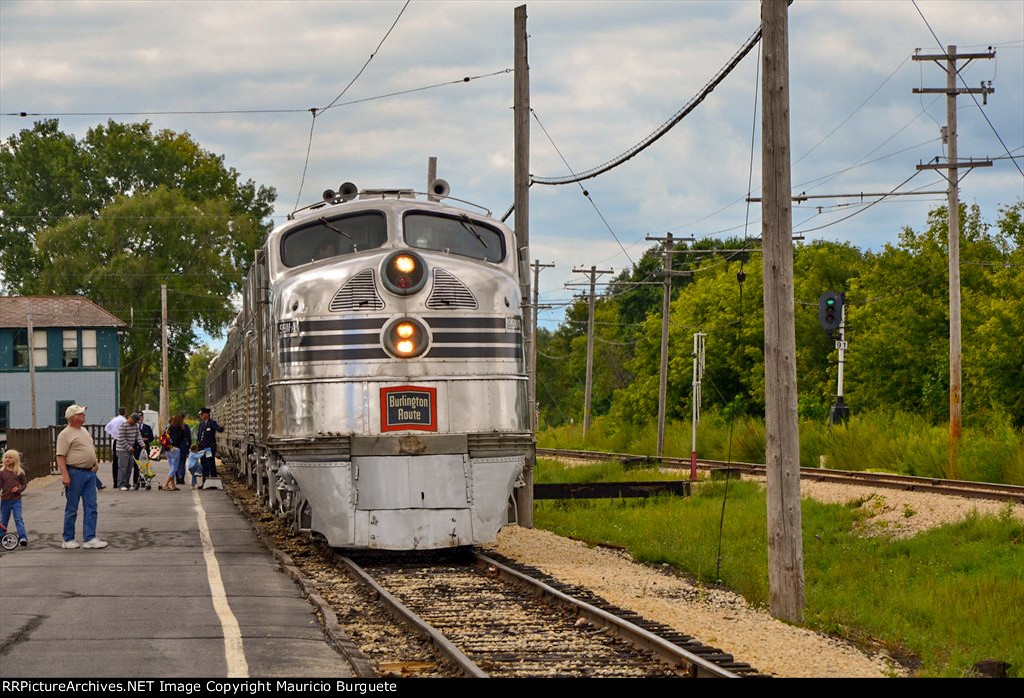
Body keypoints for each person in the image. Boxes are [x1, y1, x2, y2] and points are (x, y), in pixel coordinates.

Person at [56, 405, 107, 549]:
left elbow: (89, 448)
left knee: (91, 506)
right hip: (74, 473)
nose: (84, 415)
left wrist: (95, 463)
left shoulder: (83, 430)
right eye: (80, 413)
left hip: (89, 473)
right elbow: (60, 456)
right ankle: (68, 539)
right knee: (72, 507)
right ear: (72, 417)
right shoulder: (65, 434)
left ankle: (90, 538)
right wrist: (65, 475)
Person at [1, 449, 29, 546]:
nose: (7, 459)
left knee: (18, 519)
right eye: (6, 457)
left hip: (16, 500)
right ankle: (1, 537)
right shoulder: (1, 472)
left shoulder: (19, 472)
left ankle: (23, 537)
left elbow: (24, 485)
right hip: (5, 500)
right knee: (3, 520)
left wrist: (18, 489)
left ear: (15, 460)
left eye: (10, 457)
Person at [115, 412, 146, 491]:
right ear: (131, 418)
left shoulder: (135, 426)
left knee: (129, 467)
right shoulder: (123, 426)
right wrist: (128, 447)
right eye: (134, 421)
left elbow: (138, 436)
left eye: (136, 422)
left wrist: (142, 444)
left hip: (130, 450)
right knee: (123, 467)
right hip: (122, 450)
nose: (134, 423)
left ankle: (126, 483)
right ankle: (121, 484)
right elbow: (121, 439)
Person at [196, 407, 223, 486]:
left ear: (207, 414)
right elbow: (199, 435)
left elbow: (219, 429)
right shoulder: (201, 424)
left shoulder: (212, 423)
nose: (201, 416)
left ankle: (214, 482)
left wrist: (221, 427)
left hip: (208, 448)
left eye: (202, 414)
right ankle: (205, 482)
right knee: (203, 464)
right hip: (202, 448)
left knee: (210, 464)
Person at [103, 407, 127, 490]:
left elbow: (106, 428)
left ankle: (115, 482)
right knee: (122, 462)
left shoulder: (114, 420)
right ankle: (121, 480)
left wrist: (112, 433)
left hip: (114, 440)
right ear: (125, 412)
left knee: (115, 462)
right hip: (121, 441)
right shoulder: (124, 421)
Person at [134, 414, 154, 490]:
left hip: (145, 448)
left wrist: (146, 439)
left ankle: (145, 481)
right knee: (136, 465)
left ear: (143, 418)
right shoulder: (134, 427)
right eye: (138, 417)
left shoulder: (147, 427)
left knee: (145, 465)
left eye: (141, 417)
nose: (140, 418)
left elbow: (151, 438)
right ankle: (136, 482)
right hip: (136, 448)